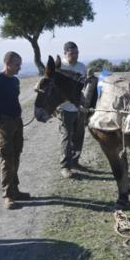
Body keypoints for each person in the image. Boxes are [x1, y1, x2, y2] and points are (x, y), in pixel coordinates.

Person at [0, 51, 30, 209]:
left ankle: (15, 190)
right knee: (7, 158)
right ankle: (8, 196)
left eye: (20, 64)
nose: (19, 68)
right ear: (7, 63)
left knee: (16, 156)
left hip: (17, 122)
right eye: (17, 64)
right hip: (4, 124)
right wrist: (1, 117)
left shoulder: (15, 81)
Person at [58, 41, 87, 178]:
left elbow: (85, 87)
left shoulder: (82, 67)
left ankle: (75, 161)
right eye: (71, 53)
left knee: (79, 136)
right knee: (67, 137)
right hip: (65, 108)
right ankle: (65, 166)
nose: (75, 56)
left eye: (76, 53)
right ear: (65, 53)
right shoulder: (59, 67)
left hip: (79, 108)